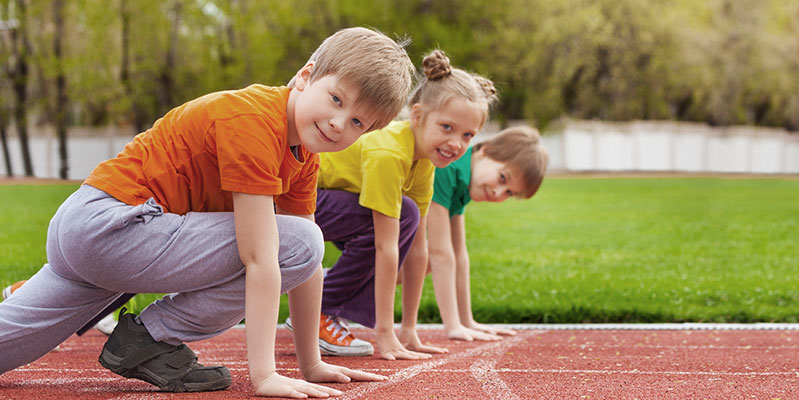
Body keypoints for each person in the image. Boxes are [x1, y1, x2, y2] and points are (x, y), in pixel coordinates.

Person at [0, 26, 415, 398]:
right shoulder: (254, 119)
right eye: (336, 99)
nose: (340, 123)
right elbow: (264, 257)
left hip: (93, 230)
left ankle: (145, 339)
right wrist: (265, 375)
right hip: (115, 227)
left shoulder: (304, 157)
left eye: (358, 121)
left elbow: (306, 269)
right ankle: (150, 338)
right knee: (296, 241)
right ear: (306, 76)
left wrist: (311, 364)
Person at [290, 49, 497, 360]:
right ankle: (319, 309)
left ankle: (325, 303)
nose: (457, 144)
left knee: (411, 228)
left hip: (333, 204)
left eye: (468, 135)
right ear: (417, 116)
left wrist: (409, 330)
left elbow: (417, 250)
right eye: (447, 128)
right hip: (299, 199)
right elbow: (388, 248)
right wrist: (385, 337)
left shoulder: (425, 158)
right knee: (403, 219)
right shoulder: (389, 154)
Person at [424, 125, 548, 342]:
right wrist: (453, 326)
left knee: (429, 257)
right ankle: (344, 304)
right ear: (485, 150)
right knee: (424, 257)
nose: (498, 193)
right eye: (502, 178)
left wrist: (467, 321)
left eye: (509, 193)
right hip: (365, 217)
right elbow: (440, 253)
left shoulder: (464, 179)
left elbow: (459, 254)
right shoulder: (449, 168)